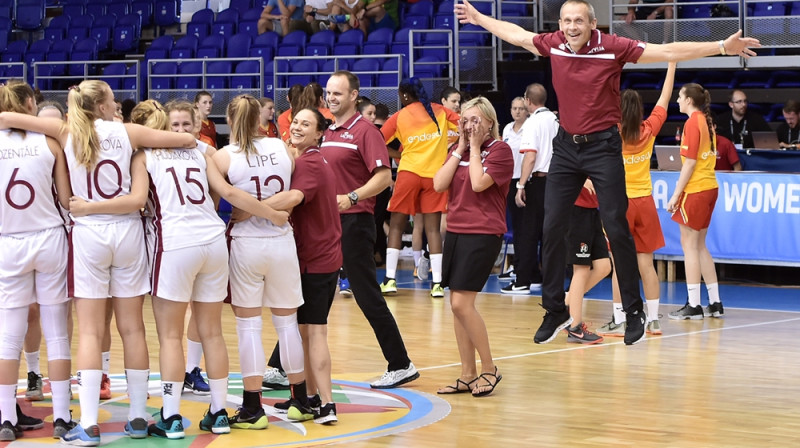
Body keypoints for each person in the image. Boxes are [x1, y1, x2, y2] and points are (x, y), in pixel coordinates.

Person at [455, 0, 759, 346]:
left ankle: (633, 310)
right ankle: (555, 308)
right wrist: (479, 18)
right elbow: (518, 35)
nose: (572, 27)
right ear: (560, 22)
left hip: (603, 147)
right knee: (551, 224)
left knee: (616, 225)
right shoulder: (554, 43)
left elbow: (667, 49)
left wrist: (721, 47)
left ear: (592, 23)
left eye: (579, 21)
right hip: (567, 146)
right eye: (567, 20)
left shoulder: (612, 47)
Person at [0, 80, 196, 446]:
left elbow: (8, 116)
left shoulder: (65, 130)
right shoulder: (127, 131)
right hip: (127, 233)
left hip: (88, 233)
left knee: (90, 332)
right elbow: (183, 140)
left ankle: (88, 424)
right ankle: (138, 416)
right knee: (133, 328)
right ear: (105, 106)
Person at [123, 99, 289, 438]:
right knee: (211, 332)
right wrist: (270, 213)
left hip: (176, 243)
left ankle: (170, 417)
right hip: (213, 241)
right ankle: (219, 412)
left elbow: (139, 203)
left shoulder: (144, 156)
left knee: (170, 335)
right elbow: (221, 195)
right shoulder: (203, 152)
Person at [212, 95, 316, 427]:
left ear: (229, 120)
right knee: (287, 326)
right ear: (262, 118)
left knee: (249, 328)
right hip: (282, 241)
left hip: (246, 243)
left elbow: (223, 200)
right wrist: (274, 212)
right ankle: (301, 399)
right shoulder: (282, 147)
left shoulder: (223, 155)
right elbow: (295, 191)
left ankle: (252, 407)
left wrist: (255, 210)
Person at [322, 70, 418, 388]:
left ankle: (400, 363)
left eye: (338, 93)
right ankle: (280, 365)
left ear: (353, 96)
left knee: (366, 294)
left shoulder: (365, 132)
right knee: (310, 290)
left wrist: (351, 197)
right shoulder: (329, 133)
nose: (331, 97)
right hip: (328, 223)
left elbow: (383, 178)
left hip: (354, 223)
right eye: (328, 92)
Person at [0, 80, 74, 441]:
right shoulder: (49, 142)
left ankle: (6, 419)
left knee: (8, 336)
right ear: (31, 103)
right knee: (57, 333)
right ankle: (62, 416)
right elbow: (65, 198)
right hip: (48, 237)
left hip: (7, 242)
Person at [263, 107, 343, 424]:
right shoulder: (307, 158)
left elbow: (294, 197)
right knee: (304, 332)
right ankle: (308, 398)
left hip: (318, 261)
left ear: (319, 133)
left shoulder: (310, 162)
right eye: (295, 122)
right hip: (314, 258)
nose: (297, 127)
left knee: (315, 332)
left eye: (306, 124)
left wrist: (250, 208)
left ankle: (326, 403)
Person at [432, 96, 512, 397]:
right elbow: (439, 185)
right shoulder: (457, 149)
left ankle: (489, 368)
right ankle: (467, 373)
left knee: (460, 304)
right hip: (455, 230)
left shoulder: (500, 150)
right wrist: (462, 150)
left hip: (483, 233)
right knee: (457, 308)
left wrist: (475, 148)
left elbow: (479, 184)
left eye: (475, 120)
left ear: (489, 122)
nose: (468, 125)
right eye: (464, 120)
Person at [599, 63, 675, 337]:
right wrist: (672, 63)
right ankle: (653, 320)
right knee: (646, 263)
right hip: (644, 202)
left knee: (620, 264)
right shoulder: (649, 130)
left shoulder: (611, 134)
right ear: (640, 110)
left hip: (619, 204)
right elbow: (665, 98)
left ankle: (620, 319)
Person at [379, 78, 459, 298]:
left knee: (396, 226)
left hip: (409, 174)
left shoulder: (399, 116)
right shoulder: (441, 112)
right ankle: (437, 284)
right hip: (435, 177)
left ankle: (390, 279)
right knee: (433, 230)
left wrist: (397, 154)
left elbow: (377, 140)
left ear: (405, 95)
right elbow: (465, 125)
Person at [162, 100, 215, 395]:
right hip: (171, 240)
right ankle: (171, 374)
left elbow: (220, 189)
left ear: (196, 126)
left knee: (200, 308)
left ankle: (191, 368)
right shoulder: (154, 152)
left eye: (186, 124)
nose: (181, 130)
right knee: (172, 315)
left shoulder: (205, 150)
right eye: (175, 125)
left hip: (203, 236)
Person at [667, 83, 724, 320]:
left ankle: (693, 305)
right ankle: (715, 302)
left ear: (689, 100)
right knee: (700, 246)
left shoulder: (692, 122)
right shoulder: (707, 122)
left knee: (689, 246)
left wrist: (675, 195)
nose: (678, 100)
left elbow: (689, 163)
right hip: (710, 187)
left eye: (680, 97)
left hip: (696, 189)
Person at [504, 83, 557, 294]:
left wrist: (521, 185)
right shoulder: (555, 120)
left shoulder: (532, 122)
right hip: (555, 183)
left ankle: (523, 280)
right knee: (549, 234)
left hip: (536, 181)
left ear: (527, 101)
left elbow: (530, 156)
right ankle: (544, 279)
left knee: (527, 233)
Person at [564, 180, 610, 344]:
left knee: (604, 266)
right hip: (576, 210)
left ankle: (563, 307)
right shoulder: (572, 154)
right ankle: (575, 327)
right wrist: (582, 178)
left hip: (592, 211)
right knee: (581, 269)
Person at [500, 97, 528, 279]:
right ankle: (516, 265)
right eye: (514, 108)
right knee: (512, 226)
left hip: (525, 182)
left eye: (521, 108)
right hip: (508, 181)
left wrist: (522, 183)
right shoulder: (507, 129)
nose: (517, 111)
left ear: (526, 110)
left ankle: (523, 268)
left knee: (524, 227)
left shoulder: (531, 128)